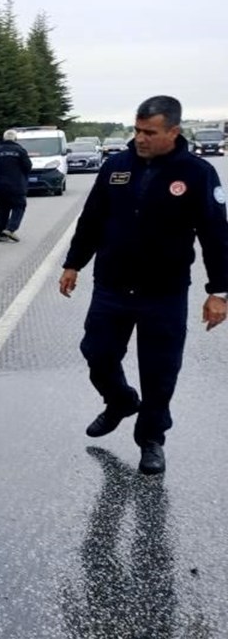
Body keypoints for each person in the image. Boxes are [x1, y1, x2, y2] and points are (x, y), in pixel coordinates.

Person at [59, 95, 228, 475]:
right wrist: (73, 263)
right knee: (97, 354)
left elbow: (216, 235)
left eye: (150, 132)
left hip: (163, 292)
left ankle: (151, 439)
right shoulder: (117, 166)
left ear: (173, 131)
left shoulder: (197, 173)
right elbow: (92, 218)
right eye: (137, 130)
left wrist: (219, 292)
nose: (140, 138)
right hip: (112, 287)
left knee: (159, 372)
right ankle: (119, 400)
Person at [0, 129, 32, 242]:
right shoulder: (20, 150)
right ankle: (10, 229)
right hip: (17, 185)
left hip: (0, 186)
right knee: (19, 207)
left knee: (2, 210)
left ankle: (2, 233)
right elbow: (28, 166)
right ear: (15, 139)